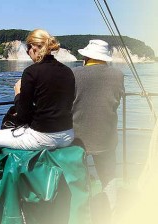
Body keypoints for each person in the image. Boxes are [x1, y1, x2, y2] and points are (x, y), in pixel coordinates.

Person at [0, 29, 75, 211]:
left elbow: (23, 117)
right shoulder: (68, 72)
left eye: (28, 50)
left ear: (34, 48)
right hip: (67, 135)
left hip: (43, 137)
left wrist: (18, 94)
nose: (29, 54)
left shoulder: (31, 72)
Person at [71, 40, 125, 215]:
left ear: (86, 56)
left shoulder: (74, 74)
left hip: (78, 138)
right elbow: (117, 99)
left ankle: (83, 212)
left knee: (80, 179)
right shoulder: (118, 75)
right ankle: (111, 213)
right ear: (105, 58)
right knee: (109, 178)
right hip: (107, 137)